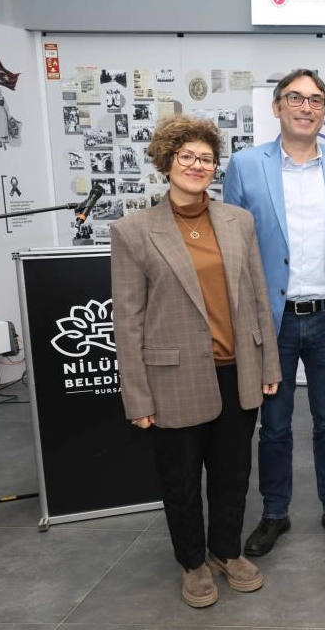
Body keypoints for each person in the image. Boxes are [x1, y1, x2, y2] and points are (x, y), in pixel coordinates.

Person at [110, 115, 280, 608]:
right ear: (167, 162)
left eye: (206, 158)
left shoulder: (238, 222)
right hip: (173, 379)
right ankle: (192, 563)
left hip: (236, 372)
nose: (197, 165)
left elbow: (258, 296)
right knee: (181, 481)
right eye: (186, 156)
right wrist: (137, 397)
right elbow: (128, 321)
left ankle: (225, 551)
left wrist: (269, 365)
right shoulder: (133, 231)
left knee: (233, 474)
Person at [223, 69, 325, 556]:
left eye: (316, 100)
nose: (306, 107)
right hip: (271, 321)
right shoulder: (246, 165)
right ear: (276, 106)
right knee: (275, 425)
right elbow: (232, 246)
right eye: (296, 98)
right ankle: (274, 513)